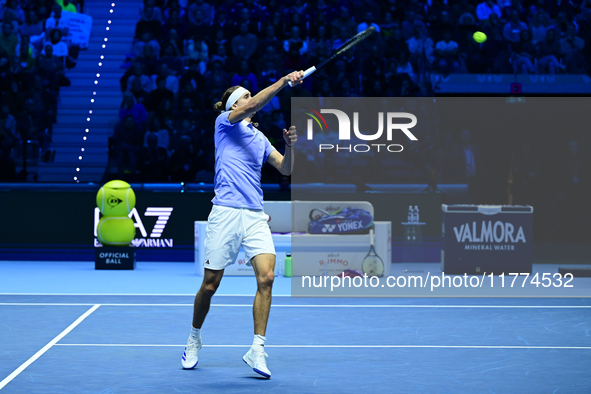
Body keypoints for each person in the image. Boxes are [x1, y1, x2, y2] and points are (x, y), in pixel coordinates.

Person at [181, 70, 304, 379]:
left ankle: (257, 349)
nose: (251, 99)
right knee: (210, 285)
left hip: (254, 215)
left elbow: (286, 168)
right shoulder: (224, 123)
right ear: (233, 105)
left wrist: (290, 146)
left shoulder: (259, 139)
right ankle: (194, 339)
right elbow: (250, 108)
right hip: (225, 212)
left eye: (251, 95)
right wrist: (282, 82)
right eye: (246, 96)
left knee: (267, 278)